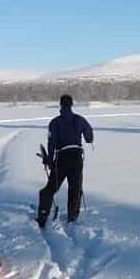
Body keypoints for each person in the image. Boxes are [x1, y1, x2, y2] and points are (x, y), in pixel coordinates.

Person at [37, 94, 93, 227]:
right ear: (71, 104)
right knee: (75, 188)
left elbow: (51, 144)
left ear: (60, 105)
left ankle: (42, 217)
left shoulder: (54, 122)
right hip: (76, 158)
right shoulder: (80, 119)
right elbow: (89, 137)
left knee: (50, 189)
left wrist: (50, 161)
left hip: (62, 158)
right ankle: (72, 218)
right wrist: (86, 137)